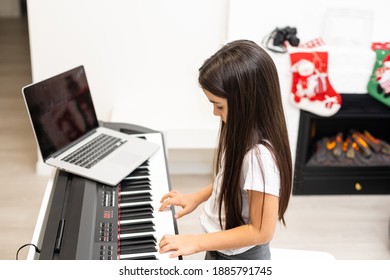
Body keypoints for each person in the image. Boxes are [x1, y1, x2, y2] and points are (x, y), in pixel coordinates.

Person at [158, 39, 292, 260]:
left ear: (247, 102)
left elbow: (262, 231)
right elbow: (231, 179)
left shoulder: (260, 158)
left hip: (239, 257)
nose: (214, 113)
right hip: (222, 245)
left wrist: (196, 242)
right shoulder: (243, 133)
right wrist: (197, 197)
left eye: (218, 106)